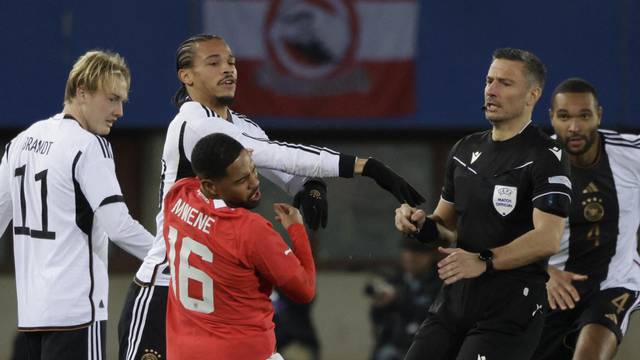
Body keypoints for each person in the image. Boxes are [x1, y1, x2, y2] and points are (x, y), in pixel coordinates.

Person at [118, 33, 425, 359]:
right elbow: (271, 154)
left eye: (232, 62)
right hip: (168, 285)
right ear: (186, 76)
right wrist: (365, 167)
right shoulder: (193, 122)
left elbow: (282, 170)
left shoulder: (238, 124)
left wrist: (311, 186)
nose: (228, 70)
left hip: (221, 296)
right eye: (214, 62)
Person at [395, 48, 573, 360]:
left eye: (505, 83)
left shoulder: (547, 155)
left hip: (510, 309)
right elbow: (446, 228)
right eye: (489, 80)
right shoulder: (465, 149)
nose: (491, 90)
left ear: (533, 94)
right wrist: (421, 224)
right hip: (454, 299)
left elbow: (548, 237)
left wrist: (485, 259)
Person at [0, 50, 154, 359]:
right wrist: (174, 258)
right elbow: (119, 227)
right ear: (81, 92)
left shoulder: (19, 143)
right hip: (77, 315)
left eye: (122, 100)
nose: (120, 111)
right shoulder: (89, 145)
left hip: (31, 317)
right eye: (112, 99)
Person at [163, 132, 316, 359]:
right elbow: (305, 290)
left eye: (253, 170)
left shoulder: (177, 195)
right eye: (241, 180)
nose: (254, 182)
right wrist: (297, 230)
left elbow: (197, 175)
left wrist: (238, 163)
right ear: (210, 186)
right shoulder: (249, 230)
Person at [531, 78, 640, 360]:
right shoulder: (531, 164)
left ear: (599, 116)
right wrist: (543, 271)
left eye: (584, 116)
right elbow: (499, 231)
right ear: (552, 118)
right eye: (565, 116)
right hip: (553, 287)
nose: (575, 127)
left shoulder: (632, 153)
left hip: (614, 282)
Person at [366, 237, 442, 360]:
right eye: (407, 251)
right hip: (392, 347)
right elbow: (377, 320)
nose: (410, 257)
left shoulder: (440, 283)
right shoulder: (395, 280)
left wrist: (398, 300)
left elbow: (434, 317)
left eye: (417, 252)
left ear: (430, 255)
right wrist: (380, 305)